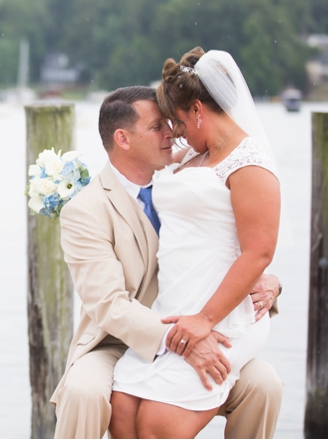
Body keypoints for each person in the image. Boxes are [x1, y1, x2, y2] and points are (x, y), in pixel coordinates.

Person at [50, 82, 283, 439]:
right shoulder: (85, 210)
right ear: (124, 139)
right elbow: (109, 306)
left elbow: (241, 245)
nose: (172, 133)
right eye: (157, 126)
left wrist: (271, 282)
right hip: (118, 341)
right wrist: (185, 339)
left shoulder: (187, 177)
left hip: (198, 325)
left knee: (264, 382)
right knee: (83, 391)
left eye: (171, 123)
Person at [108, 48, 285, 438]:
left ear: (199, 109)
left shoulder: (249, 166)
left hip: (220, 316)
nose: (176, 132)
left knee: (157, 424)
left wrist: (205, 320)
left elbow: (259, 252)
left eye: (179, 121)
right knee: (121, 407)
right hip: (172, 306)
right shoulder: (191, 155)